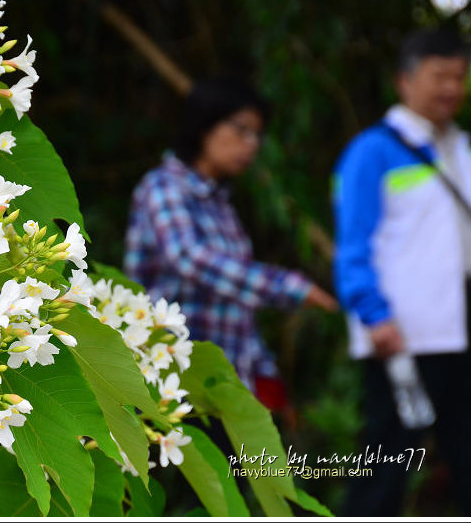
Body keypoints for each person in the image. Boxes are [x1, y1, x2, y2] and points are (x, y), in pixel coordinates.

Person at [123, 77, 339, 413]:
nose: (252, 144)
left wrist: (267, 379)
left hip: (225, 387)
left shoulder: (220, 203)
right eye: (242, 130)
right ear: (204, 125)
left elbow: (236, 306)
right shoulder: (163, 187)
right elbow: (189, 258)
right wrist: (289, 287)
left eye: (258, 135)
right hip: (173, 386)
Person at [332, 29, 471, 517]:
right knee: (386, 466)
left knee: (467, 461)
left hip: (463, 332)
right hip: (404, 336)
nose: (451, 88)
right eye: (439, 76)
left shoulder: (461, 147)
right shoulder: (370, 152)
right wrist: (373, 315)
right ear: (404, 80)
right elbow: (352, 246)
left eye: (459, 76)